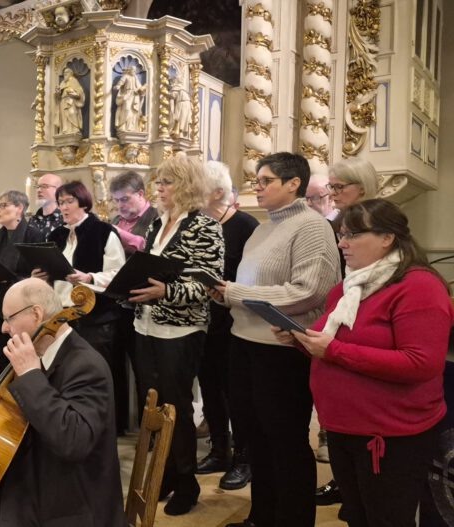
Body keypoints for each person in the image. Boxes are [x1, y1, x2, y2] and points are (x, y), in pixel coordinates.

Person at [273, 199, 453, 527]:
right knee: (357, 516)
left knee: (386, 519)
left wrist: (333, 351)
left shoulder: (418, 287)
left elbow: (421, 363)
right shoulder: (350, 286)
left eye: (353, 234)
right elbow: (335, 345)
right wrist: (301, 341)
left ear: (387, 237)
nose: (342, 242)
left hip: (390, 433)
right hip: (344, 427)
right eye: (341, 234)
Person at [0, 278, 124, 527]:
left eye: (9, 319)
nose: (4, 328)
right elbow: (8, 401)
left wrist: (30, 375)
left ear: (37, 314)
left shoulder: (86, 365)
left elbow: (74, 440)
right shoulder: (40, 353)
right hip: (34, 489)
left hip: (68, 510)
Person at [213, 152, 340, 527]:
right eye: (257, 179)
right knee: (254, 439)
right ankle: (262, 516)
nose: (258, 186)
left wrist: (234, 293)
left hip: (281, 351)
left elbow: (308, 291)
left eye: (266, 180)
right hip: (244, 344)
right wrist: (224, 293)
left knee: (284, 442)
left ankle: (292, 520)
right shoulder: (262, 229)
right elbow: (252, 287)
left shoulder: (312, 226)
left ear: (293, 184)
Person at [126, 154, 224, 515]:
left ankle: (187, 481)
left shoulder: (206, 227)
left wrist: (164, 293)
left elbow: (206, 286)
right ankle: (166, 473)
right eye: (159, 182)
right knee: (155, 406)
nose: (160, 189)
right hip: (145, 324)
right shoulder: (158, 223)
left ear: (186, 186)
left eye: (167, 182)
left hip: (181, 330)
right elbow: (151, 270)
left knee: (177, 408)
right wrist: (130, 289)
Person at [34, 180, 125, 433]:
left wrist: (90, 278)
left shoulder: (103, 231)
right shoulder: (56, 235)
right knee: (64, 372)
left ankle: (102, 427)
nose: (63, 207)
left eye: (69, 201)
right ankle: (68, 423)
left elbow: (118, 273)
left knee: (94, 372)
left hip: (96, 316)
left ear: (83, 202)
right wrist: (41, 276)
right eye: (61, 202)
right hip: (61, 314)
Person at [315, 157, 380, 504]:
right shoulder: (337, 221)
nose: (333, 193)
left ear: (364, 189)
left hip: (361, 321)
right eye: (332, 186)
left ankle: (356, 486)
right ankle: (344, 482)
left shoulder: (377, 223)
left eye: (340, 187)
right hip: (339, 313)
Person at [195, 161, 259, 491]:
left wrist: (224, 287)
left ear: (218, 192)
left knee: (235, 393)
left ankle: (244, 458)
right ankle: (219, 450)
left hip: (235, 321)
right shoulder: (201, 225)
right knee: (209, 388)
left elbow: (253, 275)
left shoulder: (245, 225)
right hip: (205, 320)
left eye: (199, 185)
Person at [108, 171, 158, 431]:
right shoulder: (117, 219)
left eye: (125, 199)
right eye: (116, 201)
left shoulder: (156, 217)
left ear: (141, 194)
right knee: (115, 364)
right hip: (118, 304)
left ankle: (148, 428)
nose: (120, 206)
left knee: (144, 370)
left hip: (145, 302)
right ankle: (118, 423)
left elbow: (147, 246)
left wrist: (116, 233)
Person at [0, 190, 44, 379]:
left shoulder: (33, 235)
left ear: (20, 209)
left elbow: (36, 275)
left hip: (18, 304)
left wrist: (12, 278)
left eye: (4, 205)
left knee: (14, 358)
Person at [28, 172, 64, 240]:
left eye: (44, 186)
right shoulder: (33, 220)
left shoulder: (65, 219)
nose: (39, 190)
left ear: (58, 190)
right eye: (38, 187)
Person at [114, 67, 146, 133]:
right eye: (132, 70)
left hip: (135, 95)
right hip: (127, 94)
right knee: (127, 109)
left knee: (134, 111)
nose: (134, 71)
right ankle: (122, 126)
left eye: (135, 70)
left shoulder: (135, 77)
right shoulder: (126, 76)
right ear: (129, 70)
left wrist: (142, 89)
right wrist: (118, 86)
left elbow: (139, 87)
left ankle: (130, 127)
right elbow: (120, 83)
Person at [54, 67, 85, 135]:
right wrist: (58, 93)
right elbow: (58, 97)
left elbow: (80, 93)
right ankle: (64, 130)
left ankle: (75, 129)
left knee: (72, 113)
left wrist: (73, 93)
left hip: (71, 101)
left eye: (67, 72)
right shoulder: (62, 83)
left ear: (71, 74)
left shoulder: (74, 81)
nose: (65, 74)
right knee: (63, 117)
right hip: (63, 101)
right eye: (64, 73)